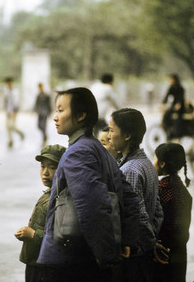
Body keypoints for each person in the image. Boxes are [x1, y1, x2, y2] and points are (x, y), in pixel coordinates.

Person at [37, 87, 140, 282]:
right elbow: (130, 198)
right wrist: (126, 241)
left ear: (81, 115)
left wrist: (105, 253)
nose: (55, 117)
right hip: (89, 257)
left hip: (71, 261)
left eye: (60, 110)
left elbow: (93, 205)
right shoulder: (98, 150)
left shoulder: (79, 152)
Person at [108, 108, 163, 282]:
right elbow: (158, 211)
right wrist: (152, 238)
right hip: (144, 249)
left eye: (111, 130)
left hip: (135, 253)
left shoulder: (129, 170)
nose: (109, 136)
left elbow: (138, 215)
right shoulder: (146, 163)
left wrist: (150, 243)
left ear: (127, 136)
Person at [15, 144, 66, 282]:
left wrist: (32, 234)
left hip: (45, 266)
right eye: (43, 166)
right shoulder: (50, 192)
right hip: (36, 263)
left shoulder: (60, 197)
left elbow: (62, 237)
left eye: (52, 167)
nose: (45, 172)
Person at [153, 143, 192, 282]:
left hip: (163, 253)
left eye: (155, 159)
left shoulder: (161, 189)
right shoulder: (181, 188)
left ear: (162, 164)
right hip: (180, 252)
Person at [160, 74, 186, 140]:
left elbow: (181, 97)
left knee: (178, 120)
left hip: (180, 107)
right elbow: (167, 96)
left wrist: (178, 104)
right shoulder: (171, 87)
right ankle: (169, 132)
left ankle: (178, 135)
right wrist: (162, 103)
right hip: (174, 106)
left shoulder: (181, 88)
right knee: (165, 117)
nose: (170, 81)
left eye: (171, 79)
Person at [3, 77, 25, 148]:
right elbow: (5, 101)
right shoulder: (6, 91)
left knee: (12, 126)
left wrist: (15, 111)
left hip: (13, 111)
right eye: (7, 84)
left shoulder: (15, 91)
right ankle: (10, 140)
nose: (8, 85)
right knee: (7, 127)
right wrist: (5, 109)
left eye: (9, 83)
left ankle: (21, 133)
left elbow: (17, 102)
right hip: (8, 111)